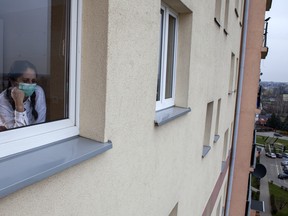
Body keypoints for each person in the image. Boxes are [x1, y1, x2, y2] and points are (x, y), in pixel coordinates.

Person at [0, 60, 46, 131]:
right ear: (13, 82)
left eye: (33, 81)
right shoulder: (2, 100)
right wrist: (19, 105)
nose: (30, 84)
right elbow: (18, 134)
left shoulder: (38, 92)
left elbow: (40, 125)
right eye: (25, 81)